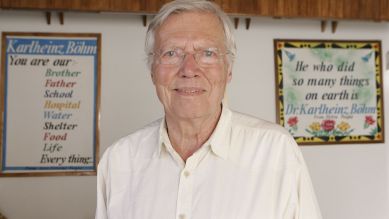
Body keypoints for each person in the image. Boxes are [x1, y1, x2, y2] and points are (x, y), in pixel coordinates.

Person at [96, 0, 322, 218]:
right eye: (171, 53)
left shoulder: (275, 152)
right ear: (152, 71)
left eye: (207, 53)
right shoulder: (118, 161)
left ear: (228, 70)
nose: (189, 69)